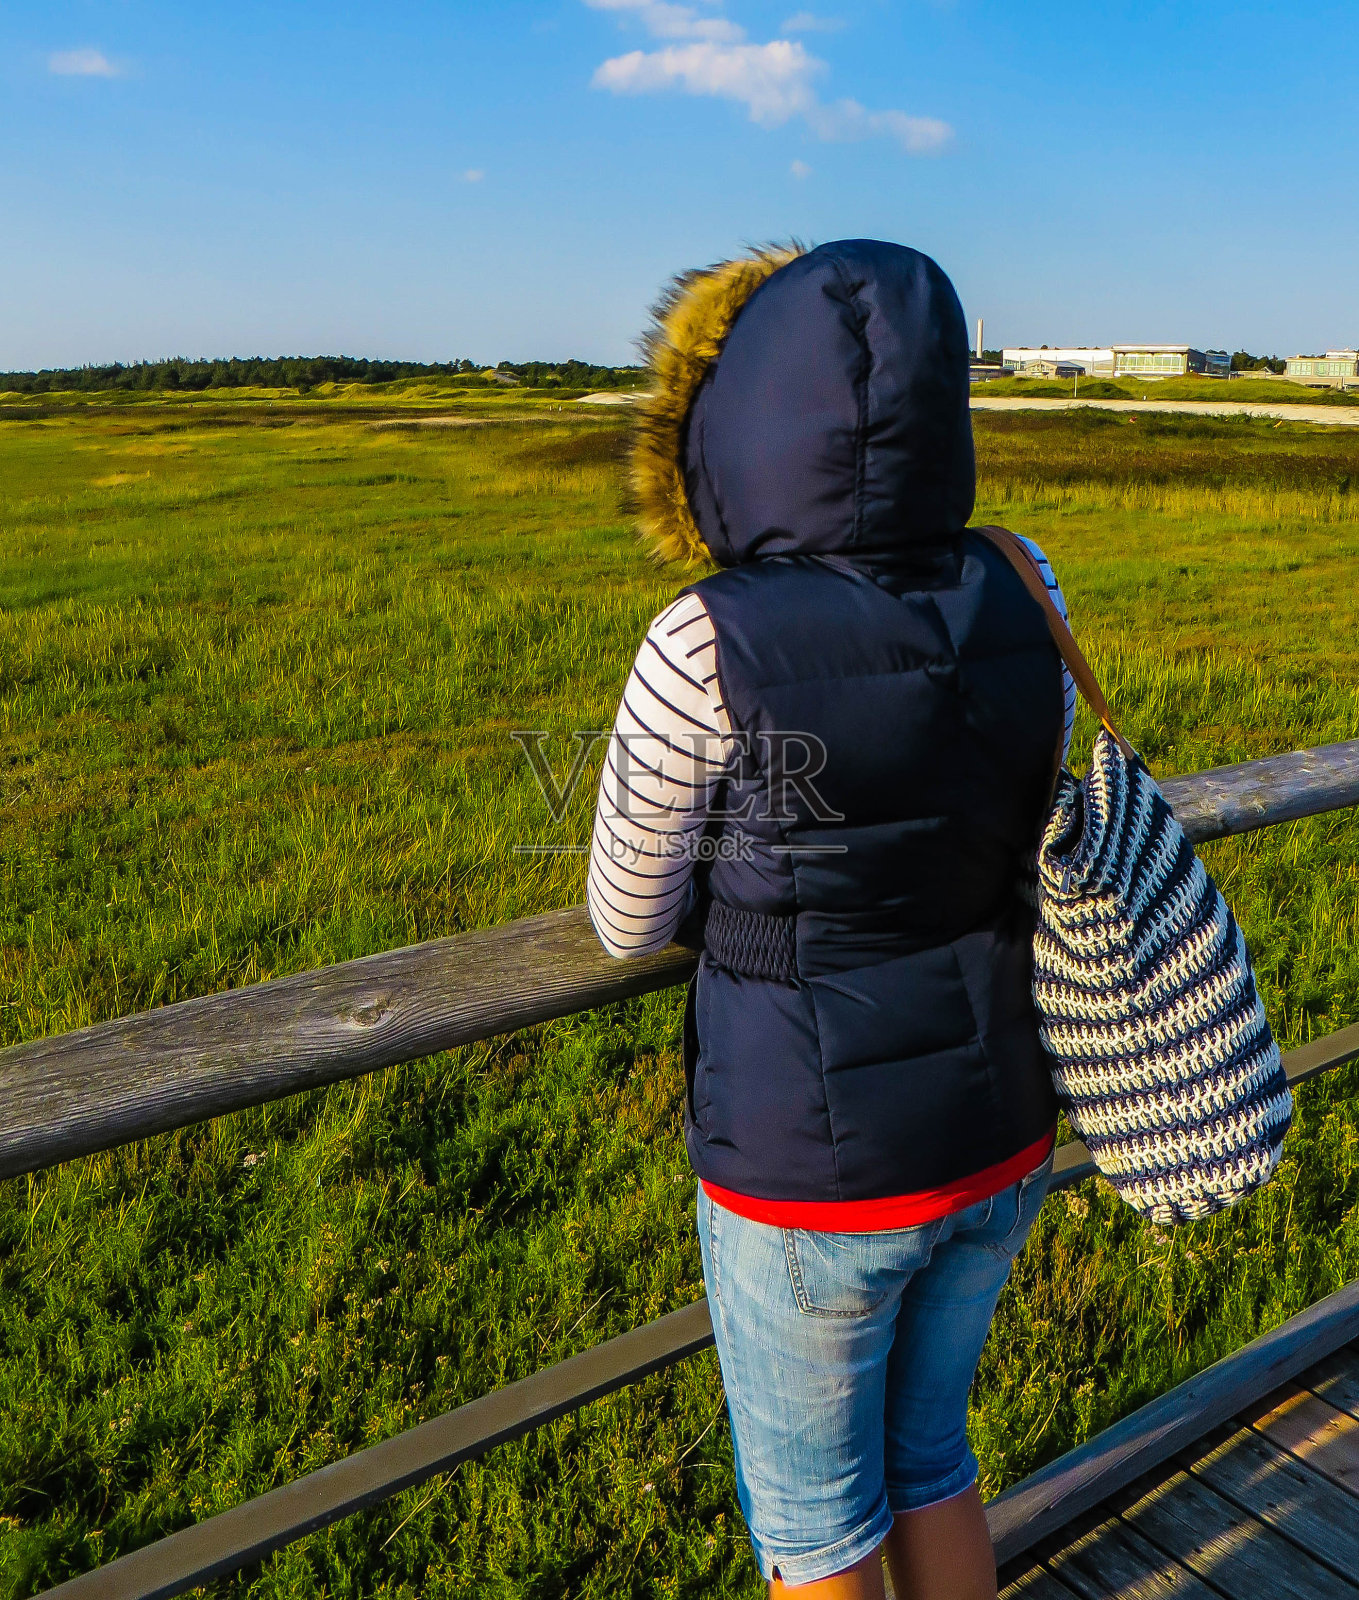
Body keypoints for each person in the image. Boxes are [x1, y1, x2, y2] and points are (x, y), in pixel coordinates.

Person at [587, 240, 1075, 1599]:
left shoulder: (705, 637)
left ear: (730, 424)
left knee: (814, 1526)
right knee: (932, 1460)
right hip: (1000, 1128)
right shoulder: (1023, 578)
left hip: (809, 1165)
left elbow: (626, 917)